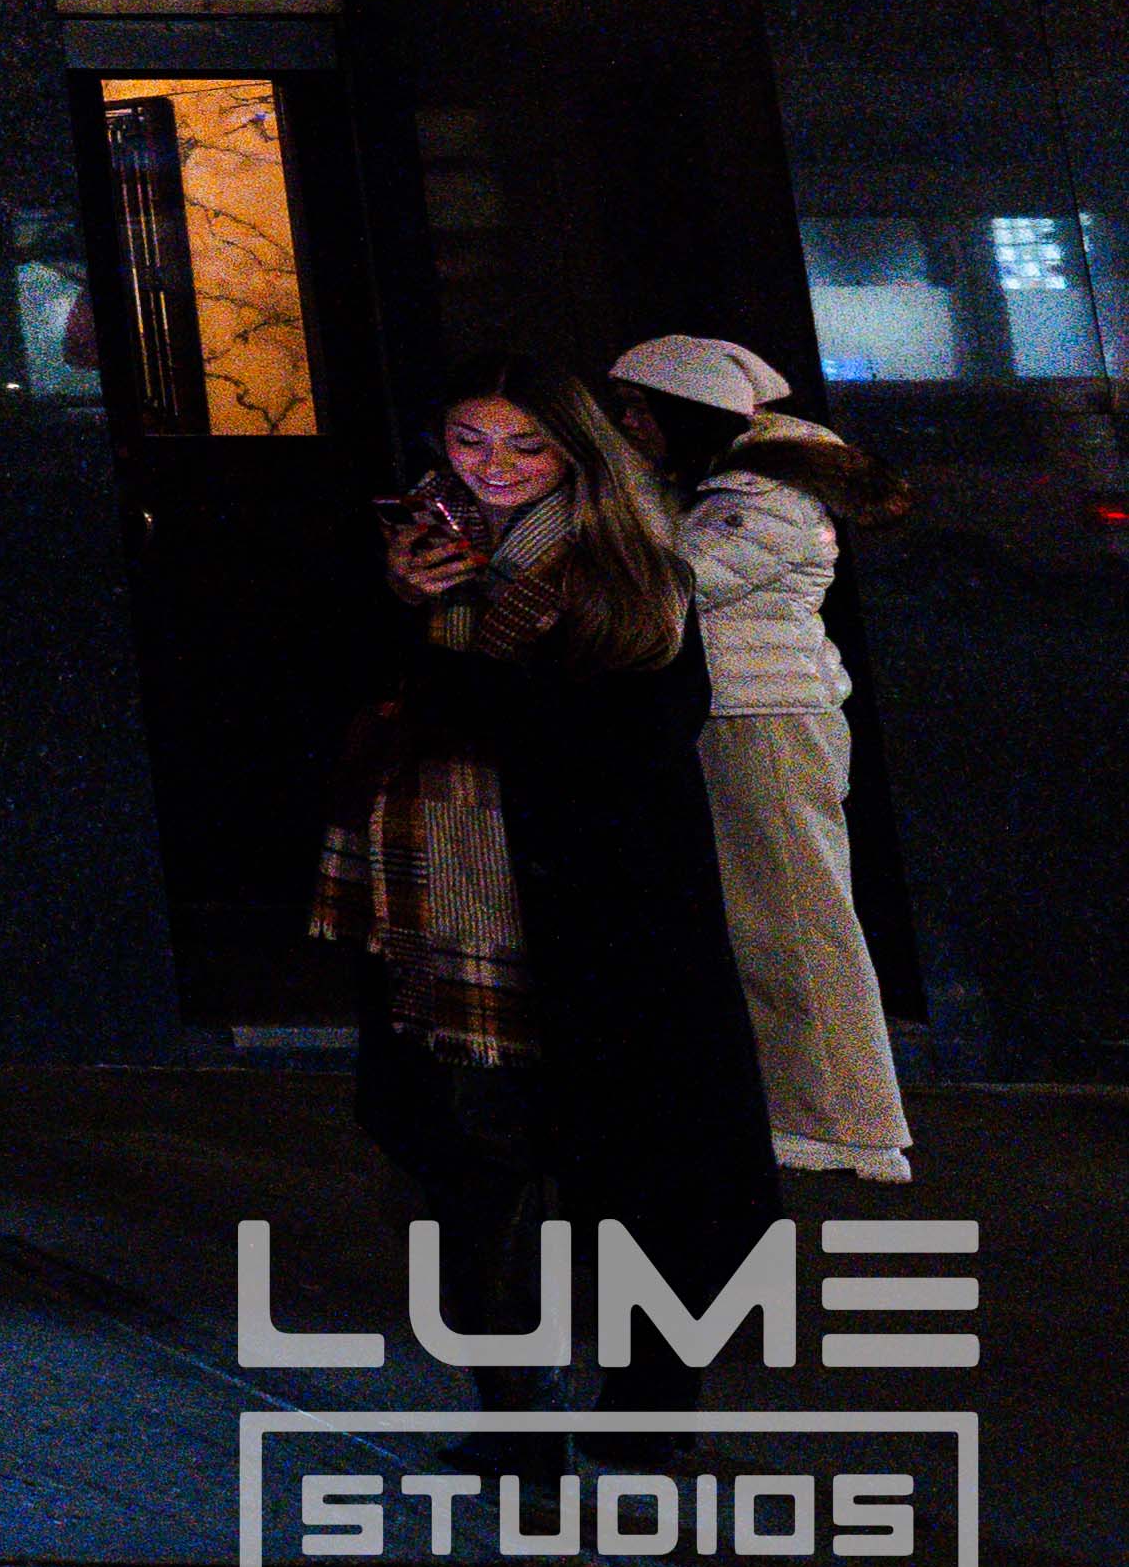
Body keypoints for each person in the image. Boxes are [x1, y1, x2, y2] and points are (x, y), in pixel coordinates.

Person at [308, 359, 778, 1418]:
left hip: (597, 917)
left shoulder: (621, 566)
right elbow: (330, 689)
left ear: (574, 451)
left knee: (634, 1165)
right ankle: (516, 1414)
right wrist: (398, 604)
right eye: (469, 441)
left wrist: (436, 657)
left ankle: (650, 1403)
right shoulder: (412, 547)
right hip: (446, 913)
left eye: (527, 445)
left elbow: (611, 741)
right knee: (465, 1158)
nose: (496, 466)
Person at [607, 334, 919, 1184]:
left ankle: (850, 1125)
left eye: (639, 408)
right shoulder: (735, 480)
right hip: (749, 713)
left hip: (767, 718)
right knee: (769, 916)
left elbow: (672, 584)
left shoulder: (761, 494)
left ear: (688, 411)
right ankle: (812, 1110)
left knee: (797, 920)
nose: (628, 423)